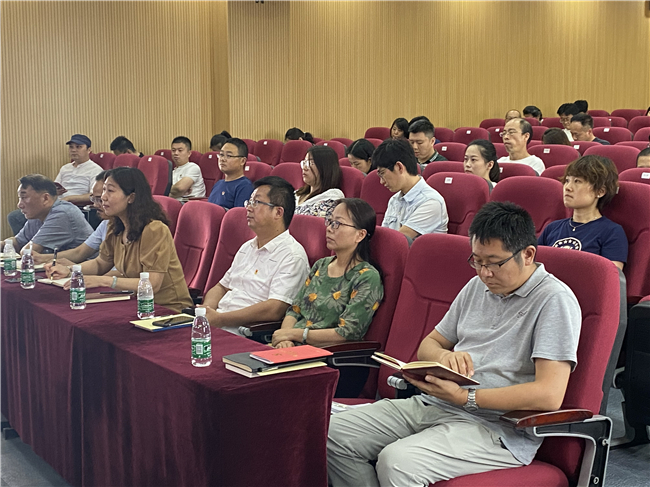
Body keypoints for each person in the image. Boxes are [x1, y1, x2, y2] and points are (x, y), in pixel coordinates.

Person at [327, 201, 582, 487]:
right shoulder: (477, 286)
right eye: (477, 261)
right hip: (437, 404)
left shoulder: (554, 300)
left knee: (397, 462)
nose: (484, 273)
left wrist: (465, 398)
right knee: (332, 433)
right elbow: (430, 344)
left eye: (494, 263)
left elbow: (548, 394)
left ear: (528, 254)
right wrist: (443, 357)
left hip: (497, 427)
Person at [45, 167, 192, 312]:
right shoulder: (114, 226)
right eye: (104, 190)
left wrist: (104, 281)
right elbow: (100, 263)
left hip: (168, 309)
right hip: (135, 303)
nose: (103, 197)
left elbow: (152, 284)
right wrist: (70, 271)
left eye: (110, 190)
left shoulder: (154, 230)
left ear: (131, 197)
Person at [200, 176, 310, 335]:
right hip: (217, 325)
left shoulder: (292, 256)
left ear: (278, 212)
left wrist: (221, 319)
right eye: (249, 202)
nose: (249, 208)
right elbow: (221, 287)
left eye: (256, 202)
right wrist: (207, 311)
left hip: (243, 333)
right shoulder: (247, 247)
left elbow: (275, 309)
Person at [271, 198, 384, 348]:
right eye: (330, 222)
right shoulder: (322, 265)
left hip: (323, 353)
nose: (329, 228)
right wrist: (285, 339)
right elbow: (295, 310)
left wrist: (293, 335)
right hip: (290, 345)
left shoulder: (367, 277)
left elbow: (346, 333)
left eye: (338, 224)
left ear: (360, 235)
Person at [538, 155, 628, 270]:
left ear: (600, 191)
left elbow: (612, 276)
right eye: (567, 181)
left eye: (577, 181)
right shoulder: (552, 228)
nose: (567, 187)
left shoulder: (612, 232)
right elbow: (532, 266)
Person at [376, 139, 448, 243]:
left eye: (382, 173)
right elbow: (384, 237)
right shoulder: (394, 199)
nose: (381, 182)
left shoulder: (431, 202)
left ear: (399, 167)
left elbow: (397, 241)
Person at [32, 171, 109, 265]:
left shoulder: (63, 212)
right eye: (94, 199)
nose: (95, 205)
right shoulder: (106, 224)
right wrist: (42, 258)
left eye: (100, 199)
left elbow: (117, 271)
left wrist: (74, 269)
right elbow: (79, 252)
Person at [9, 174, 93, 254]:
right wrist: (4, 244)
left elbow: (28, 252)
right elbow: (18, 241)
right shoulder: (38, 214)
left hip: (81, 264)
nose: (19, 205)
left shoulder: (62, 214)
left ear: (45, 198)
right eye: (20, 198)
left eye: (24, 198)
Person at [295, 146, 344, 218]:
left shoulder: (332, 197)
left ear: (325, 167)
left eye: (311, 163)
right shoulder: (298, 193)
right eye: (304, 163)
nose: (304, 168)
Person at [207, 138, 254, 209]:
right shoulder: (218, 184)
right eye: (221, 154)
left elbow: (238, 214)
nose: (222, 159)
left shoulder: (244, 186)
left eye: (228, 156)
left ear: (242, 161)